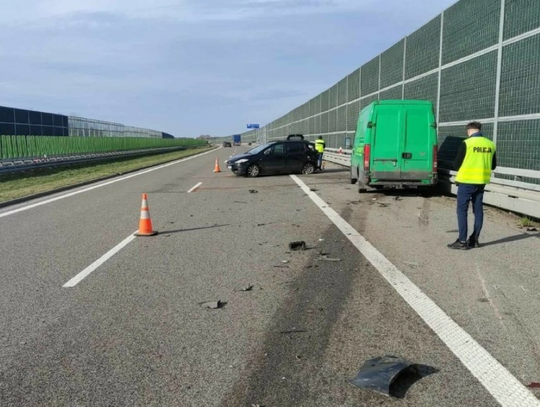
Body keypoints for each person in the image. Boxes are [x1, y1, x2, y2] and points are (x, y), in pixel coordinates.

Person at [448, 122, 497, 250]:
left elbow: (456, 165)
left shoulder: (467, 143)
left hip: (466, 182)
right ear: (479, 130)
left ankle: (462, 241)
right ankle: (474, 240)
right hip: (481, 182)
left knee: (462, 211)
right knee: (478, 211)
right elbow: (493, 166)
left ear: (469, 131)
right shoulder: (490, 144)